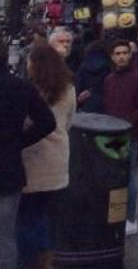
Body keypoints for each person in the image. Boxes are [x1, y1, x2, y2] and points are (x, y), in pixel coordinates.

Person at [18, 44, 75, 269]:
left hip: (33, 157)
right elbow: (70, 120)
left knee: (27, 217)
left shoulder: (29, 90)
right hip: (58, 158)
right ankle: (47, 261)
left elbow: (24, 122)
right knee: (45, 215)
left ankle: (30, 262)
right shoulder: (68, 88)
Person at [1, 42, 55, 269]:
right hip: (8, 170)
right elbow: (47, 122)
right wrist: (18, 142)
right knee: (5, 238)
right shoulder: (21, 87)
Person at [102, 38, 138, 236]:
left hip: (130, 135)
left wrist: (128, 123)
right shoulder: (109, 79)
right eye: (118, 53)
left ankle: (130, 218)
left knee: (129, 176)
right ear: (112, 57)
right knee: (115, 177)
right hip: (112, 134)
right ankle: (117, 215)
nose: (122, 56)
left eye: (125, 52)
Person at [74, 39, 110, 113]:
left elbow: (78, 83)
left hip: (85, 103)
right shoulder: (109, 65)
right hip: (103, 104)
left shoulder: (84, 64)